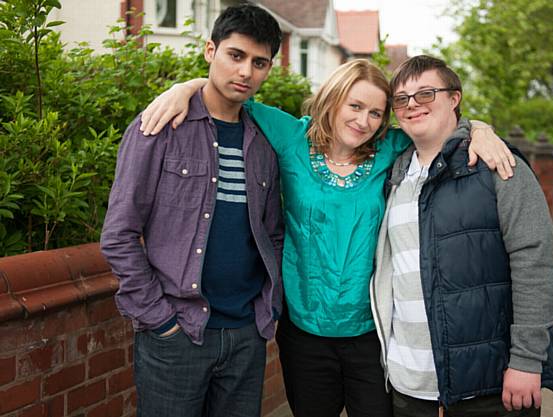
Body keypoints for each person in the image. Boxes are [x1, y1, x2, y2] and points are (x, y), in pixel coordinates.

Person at [139, 55, 515, 417]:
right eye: (355, 106)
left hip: (370, 332)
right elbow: (231, 96)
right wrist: (185, 88)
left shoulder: (389, 148)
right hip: (304, 331)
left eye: (375, 113)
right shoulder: (292, 137)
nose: (364, 120)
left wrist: (481, 130)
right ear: (333, 100)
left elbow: (439, 127)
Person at [100, 5, 284, 417]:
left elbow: (271, 234)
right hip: (177, 333)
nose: (246, 73)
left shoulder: (264, 142)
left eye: (259, 63)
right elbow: (119, 233)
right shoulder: (160, 126)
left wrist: (266, 311)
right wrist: (159, 320)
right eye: (235, 56)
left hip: (244, 336)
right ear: (210, 50)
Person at [369, 55, 553, 417]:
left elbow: (534, 260)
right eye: (401, 99)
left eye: (425, 94)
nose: (412, 105)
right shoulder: (393, 177)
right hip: (407, 384)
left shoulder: (498, 166)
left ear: (454, 98)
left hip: (488, 385)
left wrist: (527, 360)